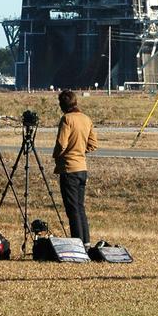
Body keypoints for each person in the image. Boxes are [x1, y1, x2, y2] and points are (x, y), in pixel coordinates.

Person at [52, 89, 98, 244]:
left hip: (69, 169)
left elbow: (61, 143)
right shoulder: (86, 119)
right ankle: (86, 242)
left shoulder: (67, 119)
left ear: (62, 105)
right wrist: (79, 150)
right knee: (80, 207)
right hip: (82, 168)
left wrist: (57, 155)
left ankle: (77, 243)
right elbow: (93, 144)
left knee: (72, 210)